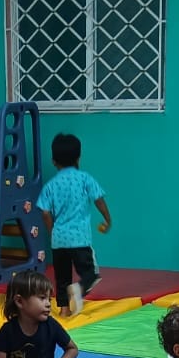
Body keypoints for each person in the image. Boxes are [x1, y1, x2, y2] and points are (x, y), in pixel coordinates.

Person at [37, 133, 110, 316]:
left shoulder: (51, 185)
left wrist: (52, 231)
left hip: (59, 239)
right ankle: (79, 288)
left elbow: (45, 212)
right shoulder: (84, 179)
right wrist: (107, 219)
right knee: (91, 274)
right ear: (78, 158)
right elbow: (98, 199)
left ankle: (64, 310)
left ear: (54, 161)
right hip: (79, 238)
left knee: (62, 277)